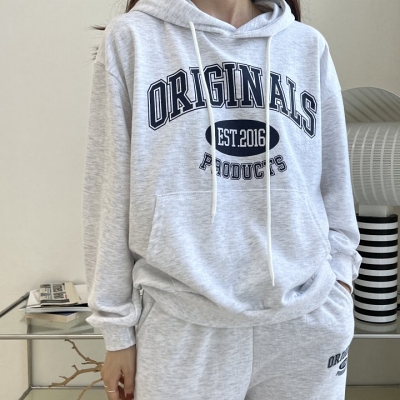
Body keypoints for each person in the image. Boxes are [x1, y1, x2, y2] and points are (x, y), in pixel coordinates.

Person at [82, 0, 362, 399]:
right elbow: (108, 193)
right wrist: (116, 330)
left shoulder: (305, 45)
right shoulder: (133, 39)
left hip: (307, 321)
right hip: (183, 323)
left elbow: (335, 183)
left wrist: (341, 280)